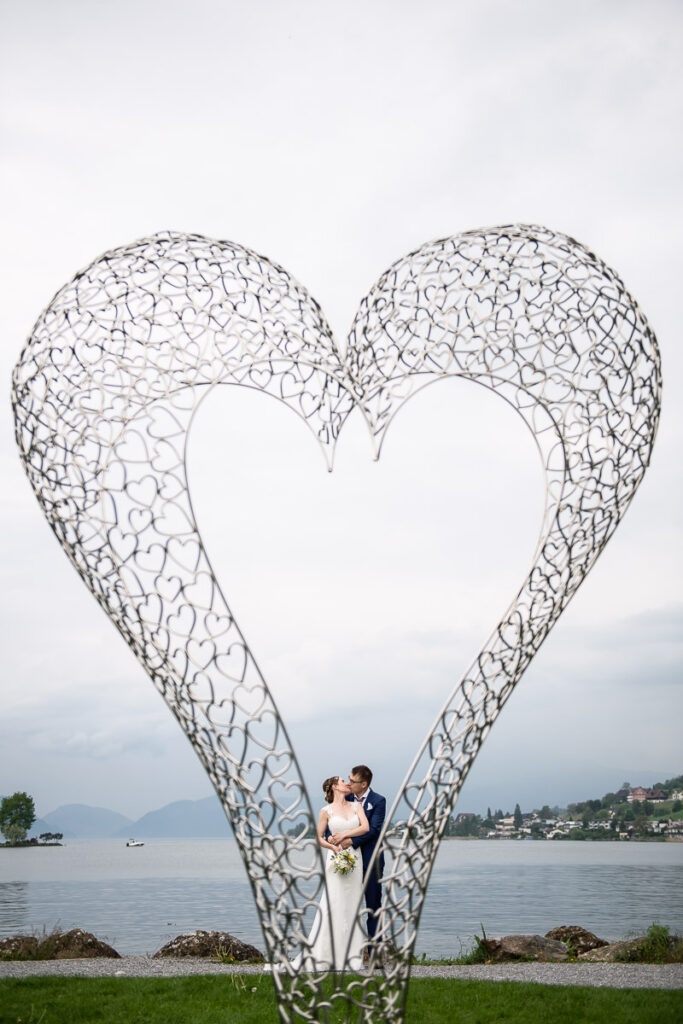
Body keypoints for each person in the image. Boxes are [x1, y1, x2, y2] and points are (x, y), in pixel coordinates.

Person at [286, 775, 369, 972]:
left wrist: (345, 835)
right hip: (335, 858)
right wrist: (332, 848)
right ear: (333, 787)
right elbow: (319, 838)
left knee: (353, 904)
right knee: (334, 902)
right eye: (342, 781)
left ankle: (353, 956)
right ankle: (326, 953)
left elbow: (365, 828)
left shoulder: (357, 806)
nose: (347, 783)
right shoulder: (326, 811)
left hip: (355, 859)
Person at [330, 764, 386, 950]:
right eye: (349, 779)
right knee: (345, 905)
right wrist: (330, 838)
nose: (349, 784)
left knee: (373, 904)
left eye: (353, 781)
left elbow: (374, 829)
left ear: (363, 784)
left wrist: (351, 841)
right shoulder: (345, 799)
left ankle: (374, 952)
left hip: (371, 859)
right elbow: (331, 820)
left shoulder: (378, 801)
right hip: (347, 860)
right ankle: (344, 950)